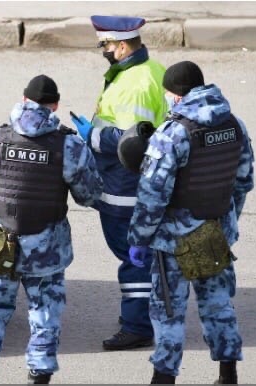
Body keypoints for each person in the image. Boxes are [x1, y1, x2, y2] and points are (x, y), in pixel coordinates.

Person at [0, 75, 103, 386]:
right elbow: (89, 195)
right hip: (46, 248)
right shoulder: (69, 145)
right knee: (45, 314)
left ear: (23, 100)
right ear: (55, 107)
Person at [122, 61, 254, 386]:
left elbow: (153, 194)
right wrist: (227, 223)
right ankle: (229, 379)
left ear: (175, 94)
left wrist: (139, 238)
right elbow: (243, 181)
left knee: (168, 310)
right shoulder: (233, 124)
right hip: (215, 233)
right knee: (218, 304)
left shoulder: (173, 133)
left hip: (175, 240)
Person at [70, 15, 167, 350]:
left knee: (133, 256)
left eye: (107, 45)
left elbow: (130, 142)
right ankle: (148, 312)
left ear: (123, 46)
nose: (105, 50)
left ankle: (137, 325)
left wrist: (91, 135)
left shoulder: (135, 83)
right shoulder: (147, 70)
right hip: (135, 181)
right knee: (141, 254)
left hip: (125, 185)